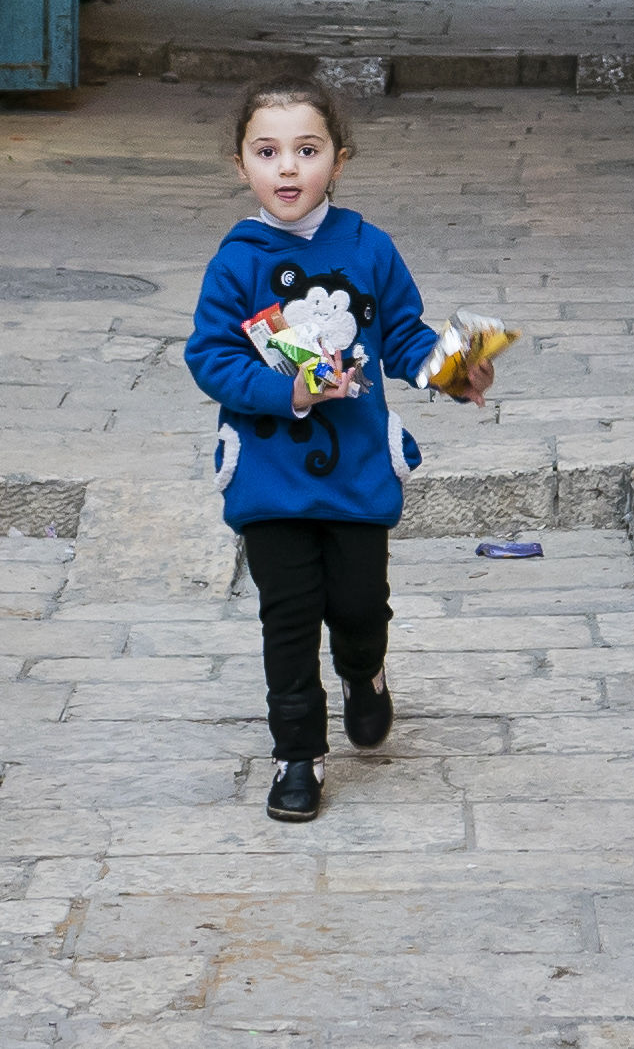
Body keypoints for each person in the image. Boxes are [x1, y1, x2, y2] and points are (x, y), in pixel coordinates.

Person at [186, 82, 495, 823]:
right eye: (267, 153)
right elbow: (209, 357)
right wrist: (284, 391)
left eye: (306, 150)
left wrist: (456, 371)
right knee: (286, 616)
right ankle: (298, 755)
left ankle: (365, 673)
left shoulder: (368, 247)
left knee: (358, 606)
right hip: (268, 472)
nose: (286, 169)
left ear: (337, 160)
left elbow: (405, 337)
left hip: (357, 468)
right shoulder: (235, 262)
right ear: (241, 166)